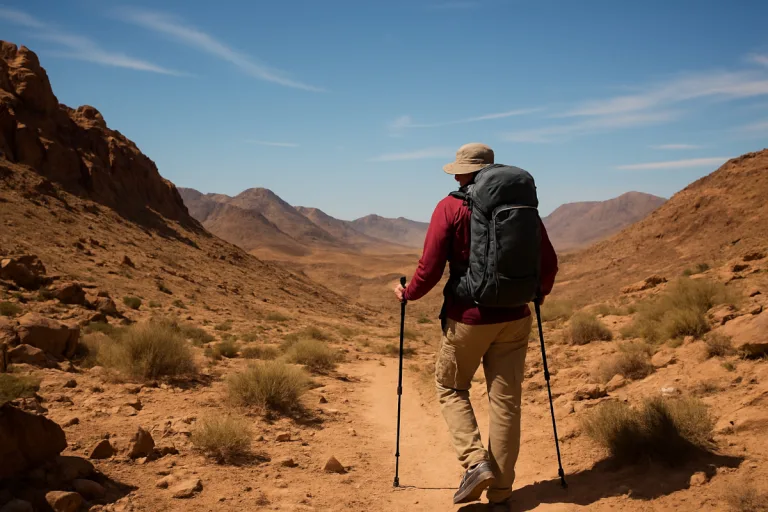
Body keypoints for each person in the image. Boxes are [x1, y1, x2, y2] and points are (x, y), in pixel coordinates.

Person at [394, 143, 558, 510]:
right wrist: (538, 294)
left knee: (450, 386)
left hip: (468, 317)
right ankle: (501, 493)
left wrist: (409, 294)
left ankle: (474, 462)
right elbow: (547, 262)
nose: (454, 175)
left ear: (467, 172)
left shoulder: (450, 207)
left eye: (458, 169)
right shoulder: (523, 211)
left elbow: (430, 266)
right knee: (506, 403)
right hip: (516, 318)